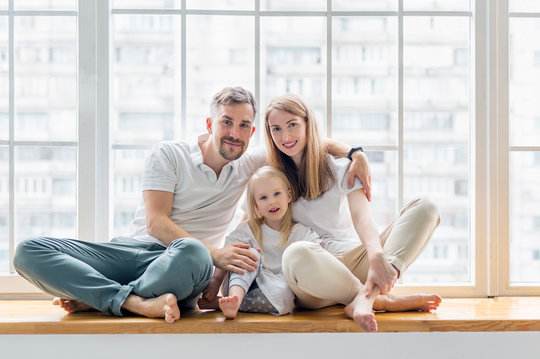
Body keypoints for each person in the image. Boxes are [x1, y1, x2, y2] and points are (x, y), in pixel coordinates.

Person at [13, 87, 371, 323]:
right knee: (28, 251)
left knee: (191, 254)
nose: (234, 132)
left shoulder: (249, 163)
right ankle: (136, 303)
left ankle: (101, 297)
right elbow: (156, 223)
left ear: (252, 133)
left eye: (244, 125)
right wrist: (217, 254)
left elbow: (303, 142)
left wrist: (355, 153)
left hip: (186, 268)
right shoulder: (170, 154)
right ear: (209, 123)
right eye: (226, 122)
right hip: (135, 253)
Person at [264, 94, 442, 332]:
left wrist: (376, 256)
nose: (285, 136)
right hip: (314, 277)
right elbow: (253, 224)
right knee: (295, 253)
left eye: (292, 125)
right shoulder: (269, 174)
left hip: (354, 261)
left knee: (426, 206)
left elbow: (362, 217)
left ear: (307, 123)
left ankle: (364, 299)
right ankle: (377, 299)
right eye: (276, 129)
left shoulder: (341, 167)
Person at [218, 166, 319, 319]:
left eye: (277, 194)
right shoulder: (248, 229)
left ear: (289, 196)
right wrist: (215, 282)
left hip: (274, 289)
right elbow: (227, 252)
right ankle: (235, 299)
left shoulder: (301, 233)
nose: (272, 202)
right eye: (263, 198)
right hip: (240, 283)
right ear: (256, 205)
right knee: (249, 254)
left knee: (286, 295)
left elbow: (317, 255)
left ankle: (230, 305)